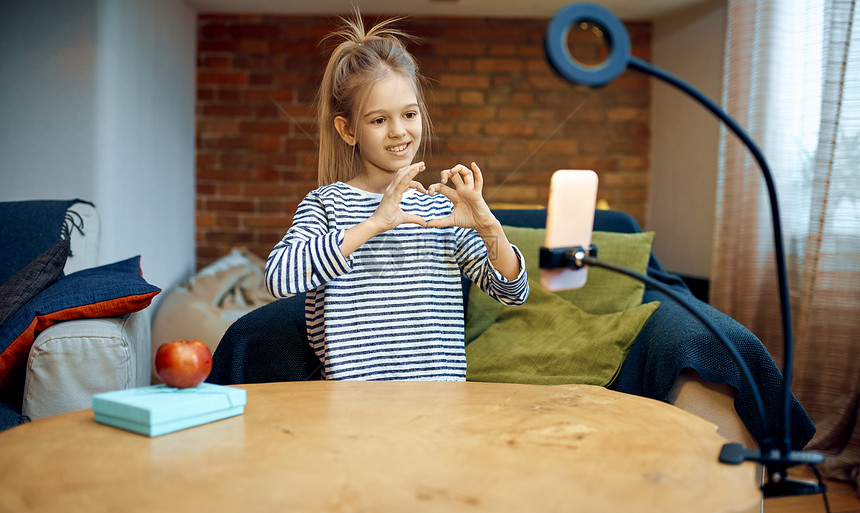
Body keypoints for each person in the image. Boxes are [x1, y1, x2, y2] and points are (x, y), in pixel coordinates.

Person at [264, 12, 528, 381]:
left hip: (437, 404)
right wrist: (374, 223)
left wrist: (489, 227)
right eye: (378, 120)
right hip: (355, 406)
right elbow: (279, 279)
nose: (399, 132)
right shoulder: (328, 203)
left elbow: (512, 291)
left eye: (408, 114)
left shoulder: (440, 208)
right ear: (348, 129)